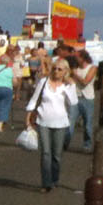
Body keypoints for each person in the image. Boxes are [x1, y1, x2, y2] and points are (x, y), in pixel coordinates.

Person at [24, 57, 78, 192]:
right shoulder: (44, 82)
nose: (56, 71)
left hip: (60, 123)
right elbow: (34, 100)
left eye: (60, 69)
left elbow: (73, 102)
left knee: (57, 155)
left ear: (65, 71)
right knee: (46, 153)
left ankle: (54, 179)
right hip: (43, 121)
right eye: (54, 68)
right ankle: (46, 183)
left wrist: (71, 86)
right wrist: (28, 119)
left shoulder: (67, 85)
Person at [69, 49, 98, 152]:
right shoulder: (76, 68)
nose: (75, 59)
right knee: (70, 122)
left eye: (77, 57)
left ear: (83, 57)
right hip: (76, 98)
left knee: (87, 125)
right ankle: (64, 143)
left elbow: (85, 82)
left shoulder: (92, 68)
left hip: (87, 99)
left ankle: (87, 145)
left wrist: (75, 75)